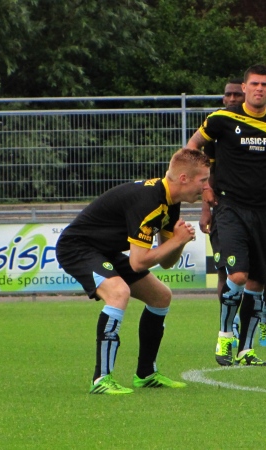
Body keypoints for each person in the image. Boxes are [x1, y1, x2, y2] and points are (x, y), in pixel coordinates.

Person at [56, 148, 211, 395]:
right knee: (119, 292)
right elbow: (139, 262)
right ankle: (101, 379)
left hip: (104, 250)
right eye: (203, 180)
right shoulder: (148, 200)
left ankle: (146, 374)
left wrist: (178, 242)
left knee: (161, 296)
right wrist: (175, 241)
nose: (205, 187)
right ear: (184, 178)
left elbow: (168, 262)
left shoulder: (170, 204)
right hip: (77, 248)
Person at [187, 64, 266, 367]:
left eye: (265, 84)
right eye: (255, 84)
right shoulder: (222, 119)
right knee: (237, 275)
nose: (260, 89)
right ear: (244, 88)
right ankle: (224, 336)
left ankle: (247, 350)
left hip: (264, 210)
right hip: (230, 207)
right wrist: (205, 189)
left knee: (258, 282)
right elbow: (192, 146)